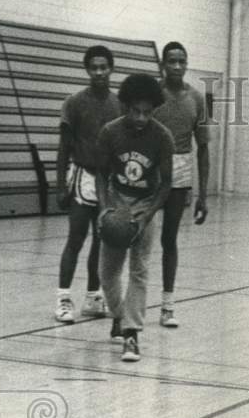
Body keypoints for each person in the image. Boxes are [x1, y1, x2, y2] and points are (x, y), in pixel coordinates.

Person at [96, 74, 175, 361]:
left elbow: (166, 183)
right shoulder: (110, 132)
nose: (141, 117)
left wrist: (147, 216)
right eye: (135, 111)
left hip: (145, 203)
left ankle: (131, 334)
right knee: (107, 273)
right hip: (117, 201)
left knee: (139, 270)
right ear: (125, 106)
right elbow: (101, 174)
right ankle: (120, 315)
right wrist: (105, 208)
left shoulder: (162, 136)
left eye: (147, 112)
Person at [53, 45, 122, 323]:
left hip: (109, 180)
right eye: (94, 67)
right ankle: (63, 298)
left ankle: (94, 296)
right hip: (82, 176)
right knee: (76, 238)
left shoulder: (119, 105)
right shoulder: (74, 103)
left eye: (103, 67)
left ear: (111, 69)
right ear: (87, 70)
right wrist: (60, 186)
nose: (99, 72)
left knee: (102, 241)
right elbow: (63, 148)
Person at [152, 42, 210, 328]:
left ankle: (167, 304)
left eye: (181, 61)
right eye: (171, 61)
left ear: (187, 64)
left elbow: (203, 149)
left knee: (169, 239)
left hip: (180, 169)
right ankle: (127, 305)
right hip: (150, 169)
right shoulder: (151, 95)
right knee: (136, 238)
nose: (177, 66)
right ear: (163, 64)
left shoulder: (196, 99)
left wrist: (203, 195)